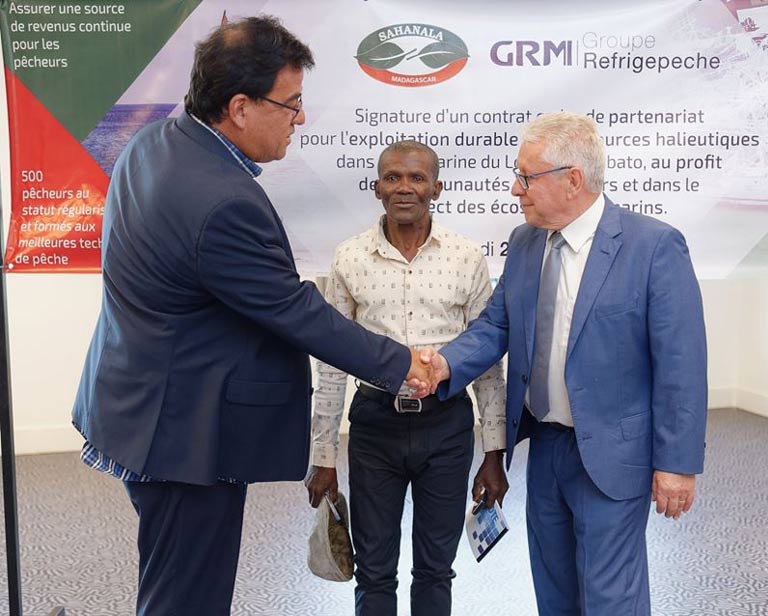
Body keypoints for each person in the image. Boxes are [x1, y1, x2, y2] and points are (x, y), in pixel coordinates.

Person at [71, 17, 433, 616]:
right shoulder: (222, 201)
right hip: (184, 433)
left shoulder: (155, 143)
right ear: (240, 108)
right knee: (187, 600)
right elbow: (293, 310)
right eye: (291, 104)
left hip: (139, 404)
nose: (301, 118)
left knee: (171, 580)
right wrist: (402, 364)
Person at [420, 112, 707, 615]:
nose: (516, 189)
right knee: (554, 594)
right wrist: (444, 364)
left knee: (611, 599)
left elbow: (681, 366)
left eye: (526, 177)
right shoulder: (526, 242)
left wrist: (677, 465)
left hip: (614, 455)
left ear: (573, 179)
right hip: (547, 450)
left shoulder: (653, 246)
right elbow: (496, 325)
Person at [305, 140, 508, 616]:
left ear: (437, 188)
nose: (404, 187)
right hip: (375, 427)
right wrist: (324, 457)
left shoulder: (465, 257)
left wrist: (494, 453)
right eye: (392, 177)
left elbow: (485, 362)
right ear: (376, 188)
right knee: (374, 571)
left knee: (436, 570)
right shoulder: (350, 257)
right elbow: (331, 363)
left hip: (447, 427)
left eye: (417, 178)